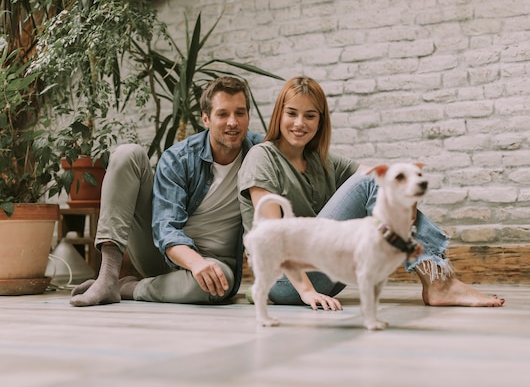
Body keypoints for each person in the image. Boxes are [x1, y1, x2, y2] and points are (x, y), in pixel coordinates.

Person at [238, 76, 505, 310]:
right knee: (373, 180)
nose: (300, 123)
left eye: (310, 116)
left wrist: (407, 203)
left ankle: (440, 281)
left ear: (320, 121)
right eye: (292, 113)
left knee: (378, 179)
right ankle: (439, 283)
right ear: (278, 115)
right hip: (288, 282)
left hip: (328, 274)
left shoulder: (320, 160)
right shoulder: (262, 156)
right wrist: (307, 292)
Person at [70, 76, 263, 306]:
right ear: (206, 119)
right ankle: (108, 275)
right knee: (127, 154)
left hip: (216, 262)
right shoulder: (180, 158)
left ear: (248, 117)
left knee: (216, 286)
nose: (233, 122)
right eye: (222, 114)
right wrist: (194, 262)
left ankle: (126, 288)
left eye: (240, 113)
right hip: (161, 256)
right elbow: (166, 227)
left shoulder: (261, 154)